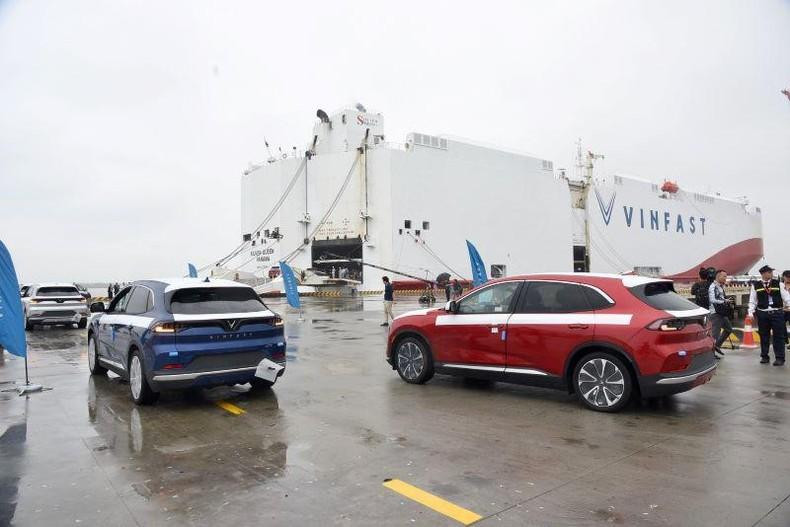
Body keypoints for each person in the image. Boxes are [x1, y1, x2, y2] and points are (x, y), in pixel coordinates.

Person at [748, 265, 785, 366]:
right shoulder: (755, 285)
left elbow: (786, 297)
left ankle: (780, 358)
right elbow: (752, 301)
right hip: (763, 313)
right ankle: (764, 356)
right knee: (764, 335)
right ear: (763, 274)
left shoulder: (779, 284)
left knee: (779, 336)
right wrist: (750, 313)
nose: (772, 274)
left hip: (777, 312)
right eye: (770, 272)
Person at [708, 269, 732, 358]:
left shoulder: (720, 286)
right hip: (715, 313)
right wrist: (723, 301)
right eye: (724, 276)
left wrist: (726, 300)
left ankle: (717, 346)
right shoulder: (713, 287)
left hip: (721, 312)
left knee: (729, 329)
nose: (726, 278)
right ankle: (711, 354)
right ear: (718, 276)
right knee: (714, 335)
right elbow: (712, 300)